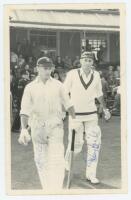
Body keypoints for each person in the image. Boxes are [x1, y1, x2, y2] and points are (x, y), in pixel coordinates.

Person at [18, 57, 75, 191]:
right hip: (38, 128)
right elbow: (24, 110)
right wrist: (24, 129)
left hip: (55, 127)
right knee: (41, 161)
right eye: (45, 68)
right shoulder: (30, 87)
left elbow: (69, 104)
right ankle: (47, 190)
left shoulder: (58, 85)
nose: (48, 71)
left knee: (57, 161)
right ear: (38, 68)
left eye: (50, 68)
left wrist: (75, 120)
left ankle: (57, 190)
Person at [64, 51, 111, 184]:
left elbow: (99, 94)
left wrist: (105, 108)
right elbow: (64, 92)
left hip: (91, 115)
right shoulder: (72, 74)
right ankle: (67, 162)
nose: (88, 62)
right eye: (85, 60)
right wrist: (67, 110)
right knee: (76, 145)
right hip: (75, 115)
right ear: (80, 61)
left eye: (90, 61)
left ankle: (91, 174)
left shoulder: (96, 75)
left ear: (93, 63)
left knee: (94, 144)